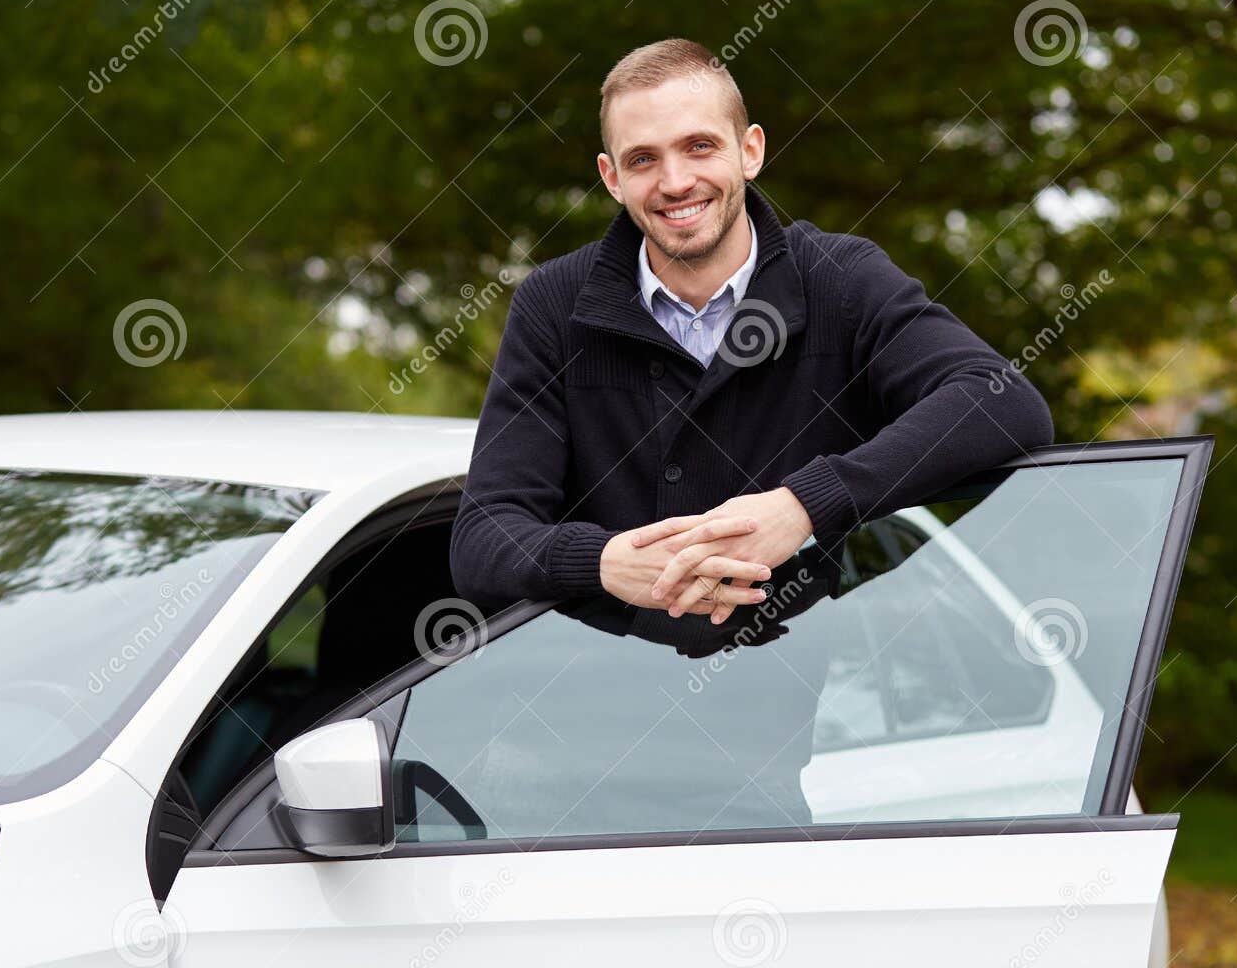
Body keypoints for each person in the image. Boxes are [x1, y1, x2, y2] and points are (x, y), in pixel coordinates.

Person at [450, 35, 1052, 634]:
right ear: (611, 177)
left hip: (798, 694)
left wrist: (804, 505)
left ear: (750, 151)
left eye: (699, 146)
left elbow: (1001, 400)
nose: (675, 181)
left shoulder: (839, 278)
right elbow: (482, 539)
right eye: (643, 159)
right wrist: (604, 562)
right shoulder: (554, 304)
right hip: (594, 696)